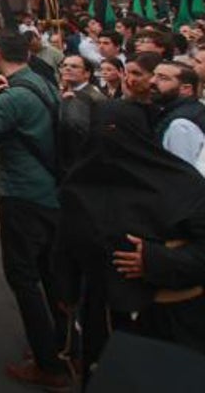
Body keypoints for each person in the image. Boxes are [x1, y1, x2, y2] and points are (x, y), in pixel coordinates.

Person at [58, 103, 205, 370]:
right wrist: (67, 291)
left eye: (117, 131)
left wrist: (157, 260)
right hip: (101, 314)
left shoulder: (184, 184)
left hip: (169, 319)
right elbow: (67, 243)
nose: (108, 139)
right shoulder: (79, 183)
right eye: (99, 130)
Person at [0, 30, 67, 388]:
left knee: (23, 278)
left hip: (23, 196)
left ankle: (48, 363)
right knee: (51, 275)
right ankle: (64, 347)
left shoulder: (10, 97)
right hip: (51, 194)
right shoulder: (44, 84)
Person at [150, 62, 205, 168]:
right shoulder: (174, 111)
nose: (152, 81)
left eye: (163, 78)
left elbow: (184, 171)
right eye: (154, 75)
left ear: (186, 89)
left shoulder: (181, 124)